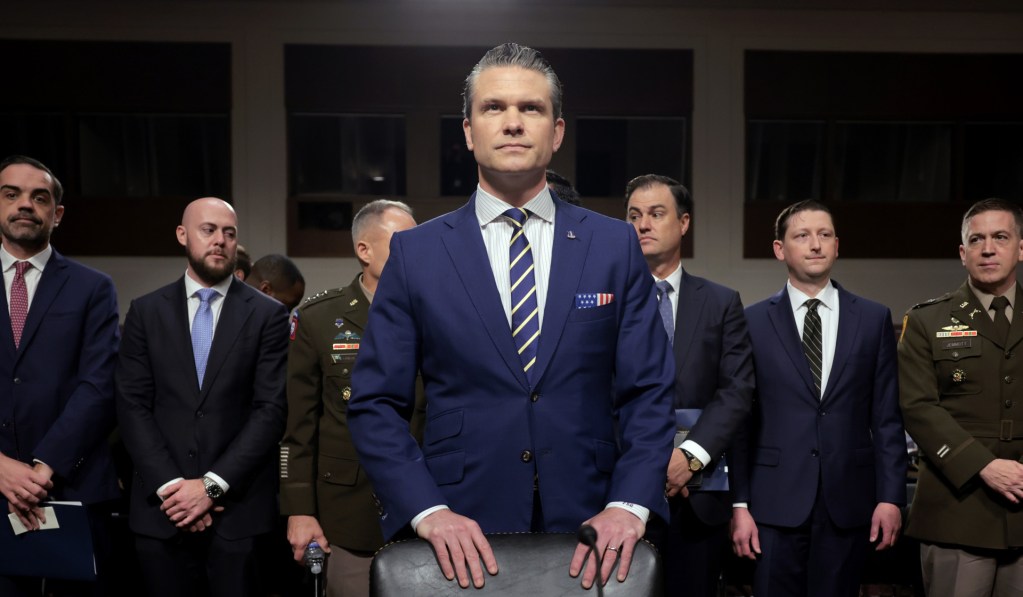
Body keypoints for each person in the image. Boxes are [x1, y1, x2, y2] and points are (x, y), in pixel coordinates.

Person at [346, 42, 675, 590]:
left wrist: (630, 503)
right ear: (469, 131)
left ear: (557, 131)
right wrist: (426, 510)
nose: (514, 122)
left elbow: (649, 391)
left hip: (592, 526)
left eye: (532, 108)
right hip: (461, 526)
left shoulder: (613, 245)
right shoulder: (417, 253)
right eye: (494, 107)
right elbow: (375, 403)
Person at [730, 200, 907, 597]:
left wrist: (891, 498)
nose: (815, 244)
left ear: (837, 245)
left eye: (825, 235)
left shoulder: (873, 318)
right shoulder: (751, 321)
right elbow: (741, 422)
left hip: (848, 501)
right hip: (773, 503)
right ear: (780, 249)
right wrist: (739, 504)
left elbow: (887, 418)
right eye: (802, 235)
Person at [115, 197, 289, 597]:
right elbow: (132, 406)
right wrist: (173, 488)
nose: (220, 240)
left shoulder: (268, 315)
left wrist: (210, 487)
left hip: (238, 514)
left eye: (229, 233)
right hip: (162, 511)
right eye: (208, 230)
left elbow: (271, 410)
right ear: (182, 235)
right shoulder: (145, 312)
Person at [280, 199, 419, 597]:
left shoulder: (439, 312)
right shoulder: (319, 319)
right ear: (364, 250)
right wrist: (300, 510)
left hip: (428, 509)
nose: (415, 253)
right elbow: (299, 428)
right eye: (403, 243)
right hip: (350, 514)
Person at [625, 174, 754, 597]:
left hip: (700, 496)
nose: (643, 225)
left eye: (656, 214)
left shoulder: (721, 302)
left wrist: (690, 456)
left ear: (683, 223)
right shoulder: (608, 300)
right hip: (623, 492)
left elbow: (736, 391)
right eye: (634, 216)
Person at [0, 155, 121, 596]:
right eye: (11, 194)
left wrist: (42, 467)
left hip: (69, 486)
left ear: (58, 213)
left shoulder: (93, 288)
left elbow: (99, 386)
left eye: (39, 197)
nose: (25, 204)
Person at [898, 198, 1023, 596]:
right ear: (962, 253)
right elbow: (917, 408)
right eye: (976, 239)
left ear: (1020, 248)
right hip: (957, 510)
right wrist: (984, 465)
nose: (988, 249)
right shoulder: (926, 320)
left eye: (1000, 237)